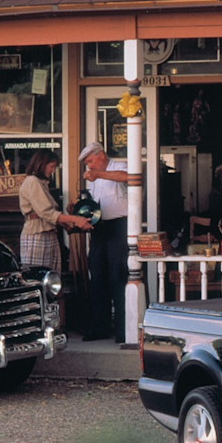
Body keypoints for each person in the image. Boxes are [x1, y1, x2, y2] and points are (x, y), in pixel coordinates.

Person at [78, 141, 130, 342]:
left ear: (101, 155)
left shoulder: (119, 166)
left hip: (119, 226)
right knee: (98, 275)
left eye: (90, 161)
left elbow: (128, 177)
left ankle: (123, 330)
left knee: (118, 275)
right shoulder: (94, 178)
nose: (90, 166)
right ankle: (100, 327)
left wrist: (99, 174)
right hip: (99, 228)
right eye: (87, 164)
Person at [18, 150, 94, 272]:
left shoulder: (42, 183)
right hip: (37, 235)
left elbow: (50, 215)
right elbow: (46, 213)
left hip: (49, 234)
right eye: (52, 166)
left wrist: (67, 226)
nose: (53, 171)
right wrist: (76, 219)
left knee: (53, 276)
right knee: (38, 276)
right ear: (42, 164)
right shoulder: (32, 181)